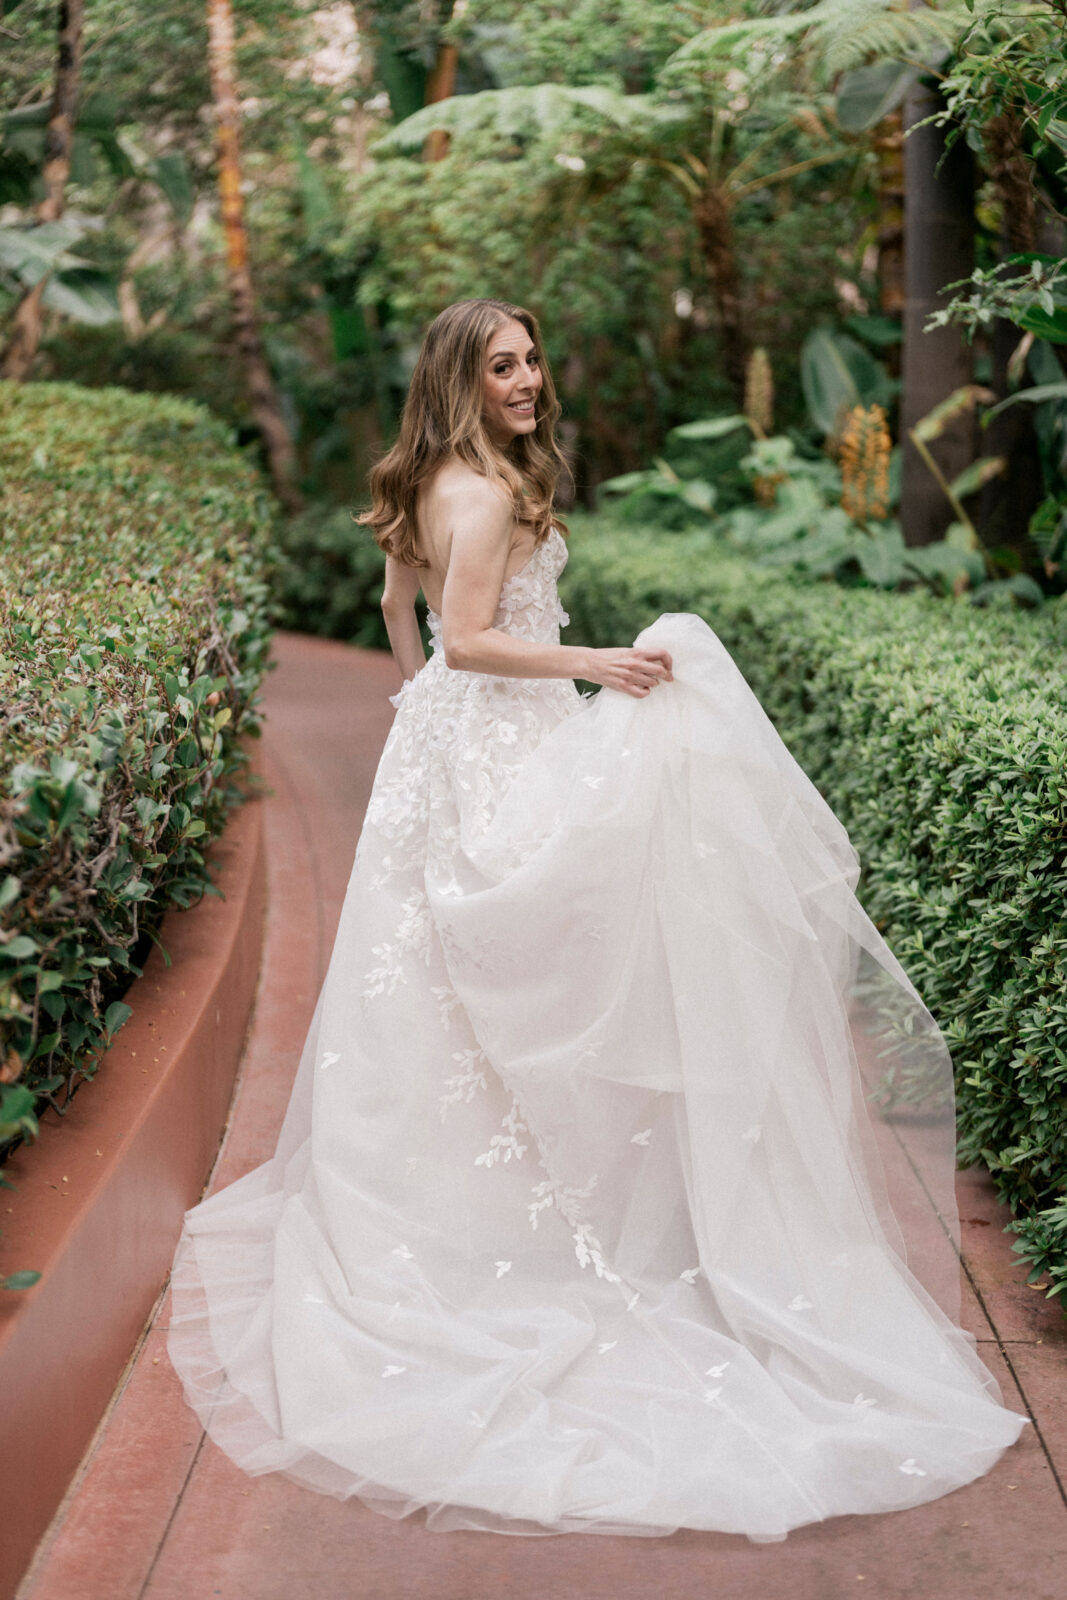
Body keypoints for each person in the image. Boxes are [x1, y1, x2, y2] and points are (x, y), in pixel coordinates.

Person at [168, 297, 1027, 1540]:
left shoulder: (419, 479)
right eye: (502, 364)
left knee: (429, 1006)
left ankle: (474, 1207)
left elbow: (399, 612)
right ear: (460, 377)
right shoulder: (488, 496)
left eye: (530, 357)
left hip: (443, 764)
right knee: (585, 904)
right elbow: (464, 639)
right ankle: (562, 1225)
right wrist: (593, 665)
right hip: (500, 746)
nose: (527, 378)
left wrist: (418, 716)